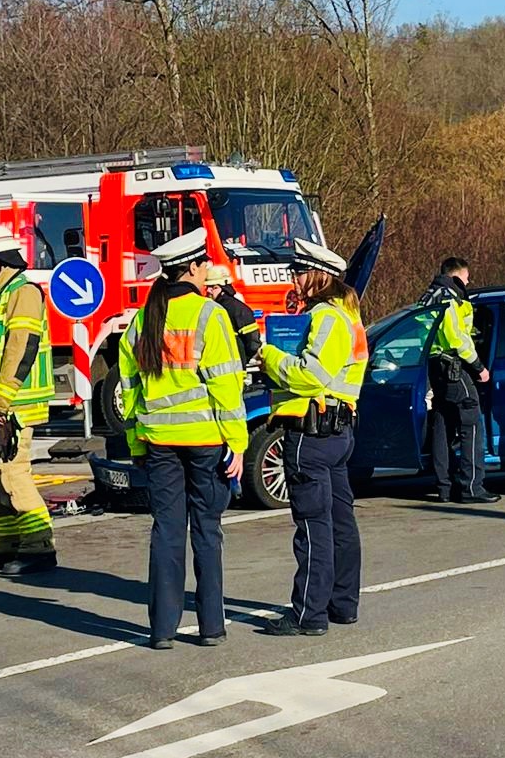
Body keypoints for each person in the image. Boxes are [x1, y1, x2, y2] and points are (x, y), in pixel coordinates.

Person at [118, 228, 247, 649]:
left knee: (166, 531)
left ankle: (162, 630)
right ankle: (211, 626)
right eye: (205, 263)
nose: (209, 269)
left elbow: (129, 388)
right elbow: (226, 386)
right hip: (205, 440)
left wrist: (137, 444)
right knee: (207, 531)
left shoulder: (144, 317)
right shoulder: (210, 315)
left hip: (158, 441)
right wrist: (239, 443)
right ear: (192, 268)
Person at [258, 238, 369, 636]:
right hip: (339, 430)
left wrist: (269, 356)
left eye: (299, 272)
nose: (294, 279)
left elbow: (310, 375)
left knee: (312, 525)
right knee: (340, 521)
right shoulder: (349, 316)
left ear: (317, 276)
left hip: (312, 432)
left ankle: (309, 614)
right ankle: (343, 604)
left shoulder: (325, 317)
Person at [0, 224, 58, 575]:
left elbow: (22, 347)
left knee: (12, 474)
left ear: (3, 258)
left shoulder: (23, 293)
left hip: (14, 405)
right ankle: (9, 542)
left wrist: (3, 398)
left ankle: (39, 546)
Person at [422, 257, 495, 503]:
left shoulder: (429, 295)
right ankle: (472, 487)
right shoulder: (449, 298)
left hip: (435, 368)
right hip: (453, 366)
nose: (468, 281)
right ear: (456, 276)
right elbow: (456, 339)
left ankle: (444, 487)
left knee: (442, 425)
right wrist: (478, 367)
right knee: (471, 424)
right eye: (466, 277)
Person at [205, 264, 262, 366]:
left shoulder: (237, 310)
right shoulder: (239, 309)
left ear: (224, 288)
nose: (208, 290)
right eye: (208, 287)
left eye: (213, 287)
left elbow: (253, 344)